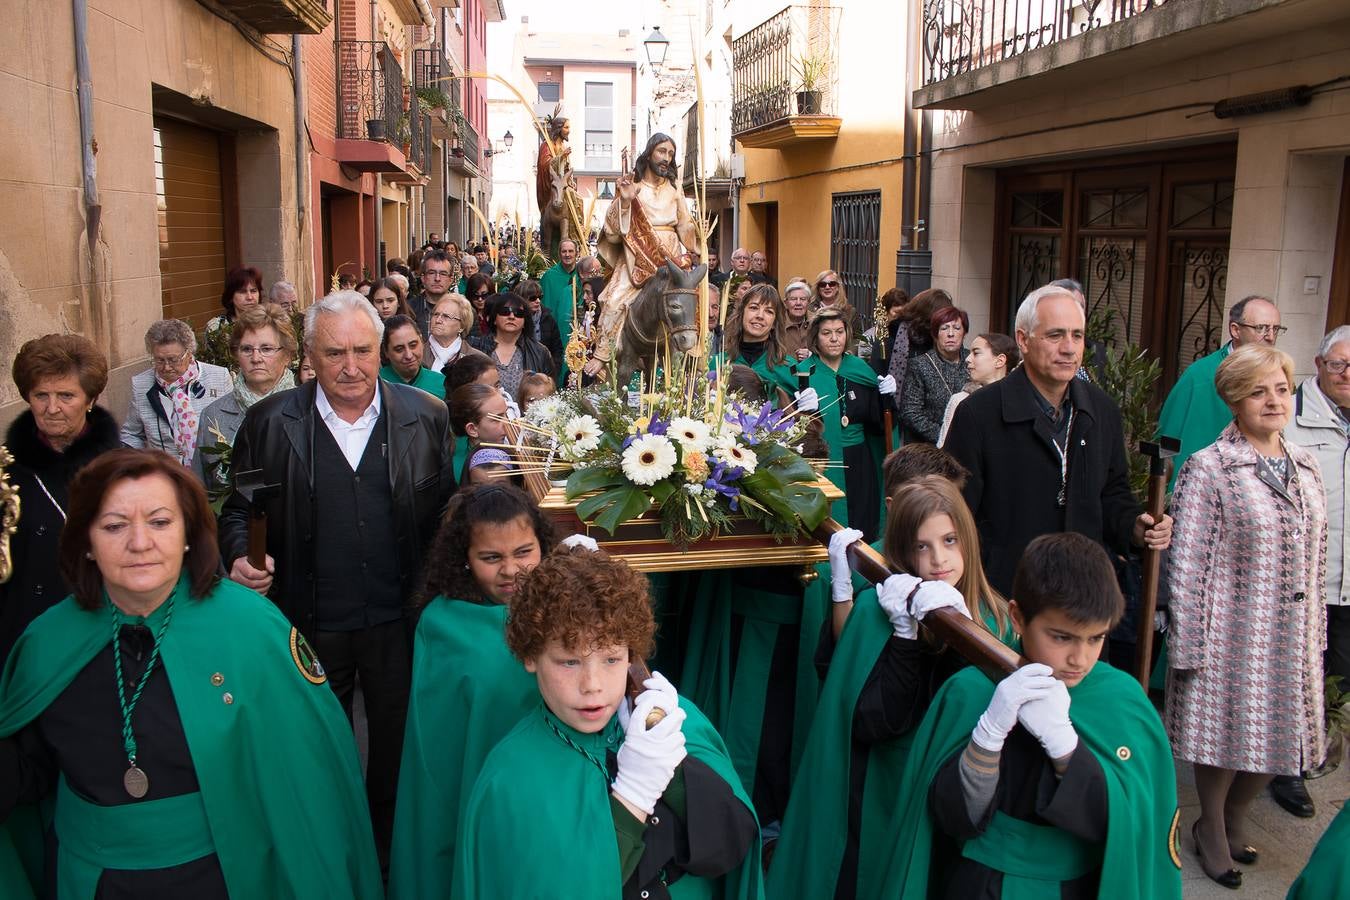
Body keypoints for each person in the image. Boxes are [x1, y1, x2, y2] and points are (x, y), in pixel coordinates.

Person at [0, 449, 382, 898]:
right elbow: (29, 775)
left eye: (160, 522)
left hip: (224, 876)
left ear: (187, 534)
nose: (139, 542)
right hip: (88, 882)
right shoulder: (48, 642)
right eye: (114, 525)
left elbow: (310, 786)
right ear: (86, 539)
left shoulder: (252, 631)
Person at [218, 290, 454, 865]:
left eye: (362, 351)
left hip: (398, 623)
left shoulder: (426, 416)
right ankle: (326, 858)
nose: (350, 367)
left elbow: (448, 519)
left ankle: (389, 860)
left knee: (396, 757)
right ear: (309, 357)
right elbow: (238, 510)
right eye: (334, 353)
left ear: (380, 350)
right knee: (314, 750)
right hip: (308, 625)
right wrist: (239, 555)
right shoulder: (269, 423)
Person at [870, 532, 1181, 900]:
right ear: (1017, 617)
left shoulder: (1122, 700)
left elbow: (1129, 827)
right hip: (980, 883)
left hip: (1078, 887)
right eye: (1061, 637)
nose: (1079, 659)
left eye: (1095, 638)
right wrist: (988, 735)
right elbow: (951, 817)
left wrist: (1065, 748)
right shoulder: (970, 690)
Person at [455, 545, 762, 899]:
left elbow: (734, 845)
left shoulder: (673, 723)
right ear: (530, 656)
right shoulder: (510, 777)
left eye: (612, 659)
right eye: (569, 662)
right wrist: (634, 793)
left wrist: (674, 765)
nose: (593, 685)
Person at [769, 476, 1011, 900]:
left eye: (950, 540)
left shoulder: (997, 621)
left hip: (948, 798)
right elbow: (867, 709)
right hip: (882, 789)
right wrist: (902, 633)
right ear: (902, 550)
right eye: (923, 546)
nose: (939, 560)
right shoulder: (884, 607)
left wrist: (962, 633)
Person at [1166, 344, 1327, 889]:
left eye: (1281, 388)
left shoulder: (1305, 465)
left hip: (1293, 637)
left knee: (1280, 741)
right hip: (1231, 634)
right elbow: (1185, 564)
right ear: (1235, 400)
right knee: (1226, 741)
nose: (1273, 400)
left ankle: (1235, 819)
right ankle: (1210, 826)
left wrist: (1317, 634)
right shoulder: (1209, 468)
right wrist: (1188, 646)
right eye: (1259, 391)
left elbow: (1317, 557)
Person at [942, 283, 1171, 595]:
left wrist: (1134, 527)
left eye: (1077, 335)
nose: (1069, 347)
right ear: (1023, 339)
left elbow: (1112, 494)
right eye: (1055, 335)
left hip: (1081, 594)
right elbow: (957, 512)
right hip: (1005, 597)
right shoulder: (978, 414)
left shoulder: (1101, 410)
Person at [388, 485, 557, 898]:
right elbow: (437, 744)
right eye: (491, 558)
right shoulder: (443, 624)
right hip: (474, 781)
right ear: (463, 559)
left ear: (543, 545)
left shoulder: (561, 608)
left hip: (547, 783)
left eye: (524, 552)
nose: (512, 571)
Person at [0, 334, 120, 665]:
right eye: (41, 395)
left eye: (66, 395)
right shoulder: (7, 471)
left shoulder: (122, 469)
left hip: (95, 635)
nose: (52, 408)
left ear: (91, 399)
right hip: (20, 637)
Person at [1283, 324, 1350, 809]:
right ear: (1320, 364)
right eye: (1338, 364)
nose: (1347, 374)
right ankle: (1285, 768)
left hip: (1349, 586)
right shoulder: (1292, 417)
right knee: (1295, 678)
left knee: (1337, 680)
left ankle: (1319, 752)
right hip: (1308, 582)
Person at [584, 133, 699, 378]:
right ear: (649, 153)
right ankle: (602, 354)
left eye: (670, 153)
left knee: (685, 299)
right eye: (661, 151)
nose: (666, 158)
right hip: (636, 258)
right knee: (614, 300)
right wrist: (625, 203)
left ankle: (690, 352)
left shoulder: (675, 190)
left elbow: (685, 226)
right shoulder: (632, 188)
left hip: (669, 257)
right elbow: (614, 235)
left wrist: (697, 246)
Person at [1157, 294, 1282, 490]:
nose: (1270, 336)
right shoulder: (1201, 376)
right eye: (1261, 328)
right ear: (1235, 329)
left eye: (1276, 329)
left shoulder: (1279, 376)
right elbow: (1168, 441)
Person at [795, 308, 894, 540]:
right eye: (826, 333)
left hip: (860, 461)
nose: (834, 338)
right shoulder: (802, 372)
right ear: (815, 339)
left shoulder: (861, 370)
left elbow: (879, 423)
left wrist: (886, 398)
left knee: (862, 520)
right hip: (822, 461)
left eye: (839, 332)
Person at [192, 303, 298, 492]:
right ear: (236, 354)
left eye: (266, 349)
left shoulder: (308, 409)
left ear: (288, 355)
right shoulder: (213, 416)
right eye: (247, 349)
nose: (256, 358)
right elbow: (201, 489)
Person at [120, 319, 231, 467]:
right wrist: (143, 465)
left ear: (189, 354)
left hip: (211, 474)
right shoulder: (141, 384)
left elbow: (234, 426)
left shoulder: (219, 377)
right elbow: (131, 434)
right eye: (159, 360)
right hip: (164, 475)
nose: (166, 367)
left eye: (173, 360)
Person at [900, 305, 972, 444]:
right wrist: (945, 436)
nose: (951, 334)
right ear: (935, 334)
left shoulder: (972, 361)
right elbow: (910, 413)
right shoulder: (920, 365)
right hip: (930, 447)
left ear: (964, 333)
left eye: (957, 328)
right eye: (944, 328)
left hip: (969, 444)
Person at [937, 332, 1018, 447]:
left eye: (976, 353)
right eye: (970, 353)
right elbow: (945, 453)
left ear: (999, 361)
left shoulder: (1021, 401)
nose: (967, 359)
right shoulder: (961, 400)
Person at [469, 292, 556, 398]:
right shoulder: (476, 348)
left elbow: (549, 393)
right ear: (494, 319)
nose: (511, 316)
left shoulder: (540, 352)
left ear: (525, 321)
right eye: (505, 312)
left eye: (518, 313)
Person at [720, 283, 798, 401]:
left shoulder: (789, 368)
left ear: (774, 323)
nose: (760, 316)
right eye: (754, 308)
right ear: (741, 314)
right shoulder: (718, 363)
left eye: (769, 311)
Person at [449, 382, 509, 483]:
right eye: (497, 419)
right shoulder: (463, 468)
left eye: (506, 414)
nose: (508, 423)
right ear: (472, 429)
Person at [541, 238, 583, 382]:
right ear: (559, 253)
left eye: (571, 251)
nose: (567, 254)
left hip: (579, 332)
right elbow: (544, 305)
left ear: (577, 253)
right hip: (557, 330)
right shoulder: (549, 277)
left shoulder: (582, 275)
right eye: (564, 251)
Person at [379, 314, 446, 399]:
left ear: (421, 341)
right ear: (386, 352)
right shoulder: (376, 384)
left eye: (413, 345)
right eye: (399, 349)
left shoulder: (442, 384)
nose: (408, 355)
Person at [518, 278, 564, 373]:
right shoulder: (515, 319)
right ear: (521, 299)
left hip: (545, 372)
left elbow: (557, 349)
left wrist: (553, 371)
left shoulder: (548, 319)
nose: (538, 301)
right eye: (533, 298)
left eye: (540, 297)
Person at [409, 250, 458, 337]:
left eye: (443, 274)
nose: (437, 278)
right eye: (432, 273)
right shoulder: (408, 309)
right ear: (423, 278)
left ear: (451, 279)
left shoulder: (463, 310)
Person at [424, 292, 475, 374]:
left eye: (446, 316)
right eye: (436, 314)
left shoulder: (476, 359)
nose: (438, 320)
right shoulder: (416, 355)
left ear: (461, 326)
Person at [204, 266, 263, 332]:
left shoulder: (269, 323)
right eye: (242, 292)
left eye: (253, 291)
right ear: (231, 296)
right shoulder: (216, 327)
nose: (249, 297)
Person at [810, 269, 864, 338]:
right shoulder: (809, 311)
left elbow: (857, 340)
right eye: (822, 284)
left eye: (832, 284)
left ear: (838, 287)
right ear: (818, 288)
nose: (827, 287)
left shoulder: (850, 312)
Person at [782, 279, 813, 359]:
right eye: (793, 299)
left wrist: (811, 355)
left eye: (803, 299)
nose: (798, 303)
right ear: (786, 303)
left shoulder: (817, 322)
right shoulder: (776, 323)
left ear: (809, 302)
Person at [464, 272, 494, 338]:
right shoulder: (465, 314)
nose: (480, 299)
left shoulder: (497, 313)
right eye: (475, 295)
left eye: (484, 295)